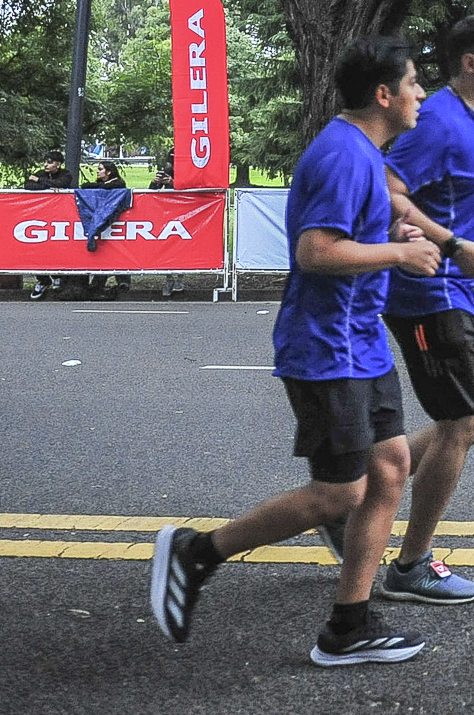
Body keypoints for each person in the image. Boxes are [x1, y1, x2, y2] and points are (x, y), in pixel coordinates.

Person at [148, 36, 439, 666]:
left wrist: (391, 231)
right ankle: (198, 552)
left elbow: (349, 234)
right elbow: (315, 251)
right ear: (384, 95)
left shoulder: (364, 153)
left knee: (390, 469)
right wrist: (398, 252)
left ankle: (348, 625)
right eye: (414, 83)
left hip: (364, 342)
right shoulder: (341, 154)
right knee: (339, 494)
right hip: (326, 347)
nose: (421, 94)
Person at [342, 15, 474, 607]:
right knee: (464, 423)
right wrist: (452, 246)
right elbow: (389, 188)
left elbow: (451, 203)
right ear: (469, 63)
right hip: (427, 290)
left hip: (455, 288)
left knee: (472, 422)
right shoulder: (440, 120)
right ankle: (411, 564)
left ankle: (353, 499)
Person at [25, 155, 75, 299]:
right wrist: (48, 186)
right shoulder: (41, 173)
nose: (45, 165)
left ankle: (57, 275)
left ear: (58, 164)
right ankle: (43, 280)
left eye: (49, 162)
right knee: (37, 250)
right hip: (40, 217)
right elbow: (28, 185)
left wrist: (41, 181)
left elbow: (63, 183)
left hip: (61, 217)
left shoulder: (65, 174)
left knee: (58, 247)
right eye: (45, 162)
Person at [88, 160, 132, 300]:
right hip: (103, 221)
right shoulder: (102, 183)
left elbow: (112, 187)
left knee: (118, 250)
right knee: (104, 251)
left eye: (100, 169)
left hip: (117, 222)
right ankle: (98, 282)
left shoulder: (118, 183)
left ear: (109, 172)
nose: (98, 171)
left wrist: (100, 186)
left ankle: (123, 280)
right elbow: (87, 186)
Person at [151, 152, 185, 300]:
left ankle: (180, 277)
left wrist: (173, 182)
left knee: (182, 244)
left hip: (184, 211)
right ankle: (169, 277)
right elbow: (149, 193)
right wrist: (155, 183)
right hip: (167, 211)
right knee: (167, 244)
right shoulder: (167, 170)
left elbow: (190, 188)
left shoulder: (188, 171)